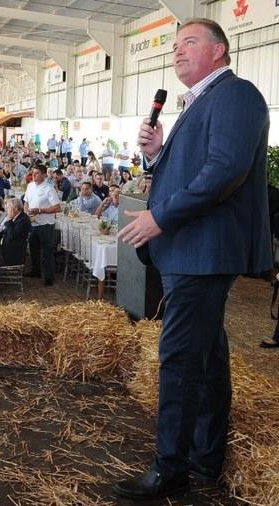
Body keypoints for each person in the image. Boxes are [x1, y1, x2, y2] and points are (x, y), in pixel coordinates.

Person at [115, 18, 271, 501]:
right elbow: (194, 170)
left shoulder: (236, 95)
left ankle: (170, 467)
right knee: (206, 358)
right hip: (192, 250)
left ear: (220, 50)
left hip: (204, 249)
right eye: (175, 46)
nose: (177, 52)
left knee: (180, 359)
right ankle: (205, 458)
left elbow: (224, 171)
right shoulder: (200, 101)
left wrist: (158, 217)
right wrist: (158, 154)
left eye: (189, 43)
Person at [23, 165, 61, 286]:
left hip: (45, 224)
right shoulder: (30, 186)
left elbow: (57, 207)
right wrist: (26, 214)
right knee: (33, 249)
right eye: (33, 173)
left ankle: (49, 277)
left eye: (37, 173)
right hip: (33, 223)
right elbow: (26, 202)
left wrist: (40, 210)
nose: (34, 175)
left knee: (47, 252)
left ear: (44, 175)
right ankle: (35, 270)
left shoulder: (49, 189)